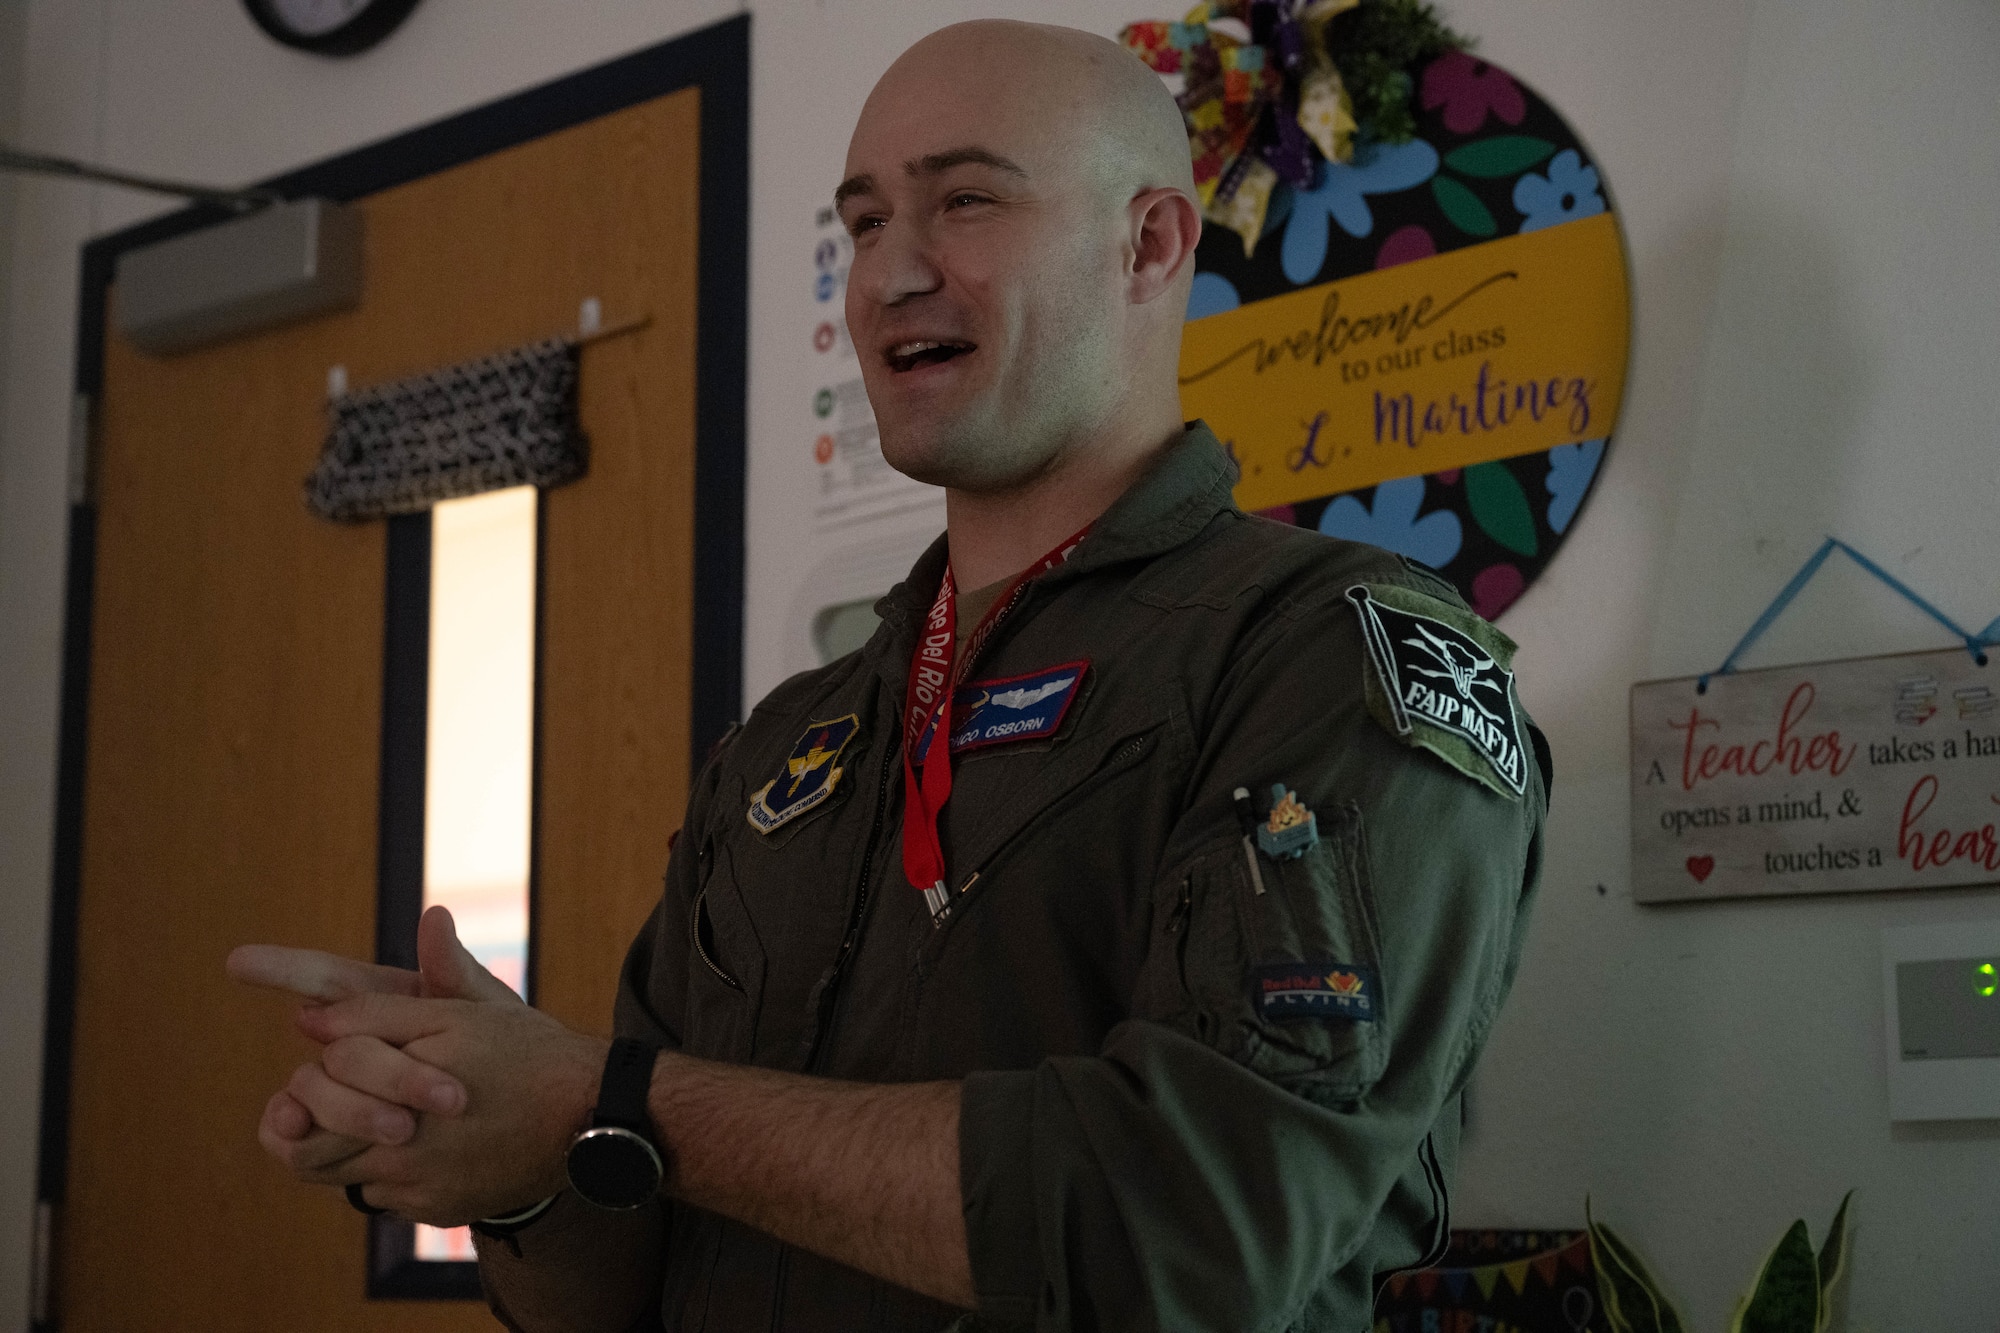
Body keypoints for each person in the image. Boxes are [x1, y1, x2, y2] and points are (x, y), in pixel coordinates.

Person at [229, 19, 1550, 1332]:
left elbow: (1203, 1223)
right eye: (862, 223)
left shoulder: (1328, 652)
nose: (888, 274)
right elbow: (617, 1286)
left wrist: (611, 1095)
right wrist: (502, 1144)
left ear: (1151, 244)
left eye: (965, 200)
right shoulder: (788, 745)